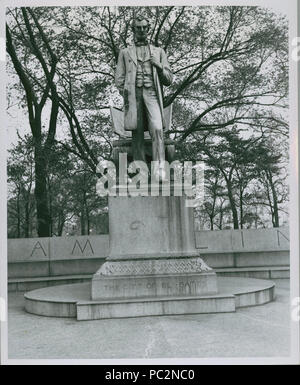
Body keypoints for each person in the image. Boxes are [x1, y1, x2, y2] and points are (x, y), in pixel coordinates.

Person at [115, 15, 173, 178]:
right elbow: (118, 78)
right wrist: (126, 94)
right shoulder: (125, 52)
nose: (141, 30)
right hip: (134, 96)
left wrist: (159, 66)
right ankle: (141, 170)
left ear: (148, 29)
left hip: (152, 94)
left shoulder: (159, 52)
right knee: (137, 133)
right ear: (133, 30)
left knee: (157, 128)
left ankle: (160, 170)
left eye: (144, 27)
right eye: (138, 27)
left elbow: (169, 79)